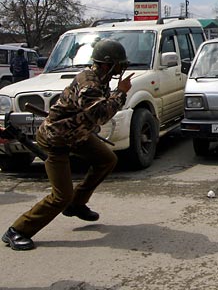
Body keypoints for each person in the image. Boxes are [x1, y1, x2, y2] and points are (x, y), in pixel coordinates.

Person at [2, 39, 133, 251]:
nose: (122, 69)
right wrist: (121, 93)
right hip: (57, 140)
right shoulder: (89, 84)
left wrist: (114, 93)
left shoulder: (99, 79)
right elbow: (100, 115)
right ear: (107, 64)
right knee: (61, 195)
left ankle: (77, 203)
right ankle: (17, 230)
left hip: (76, 135)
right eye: (119, 65)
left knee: (107, 160)